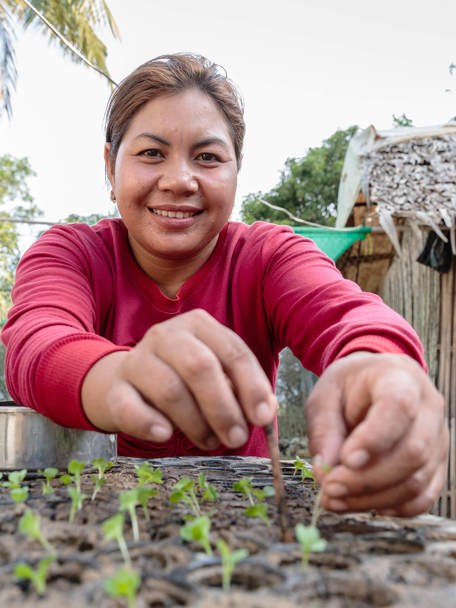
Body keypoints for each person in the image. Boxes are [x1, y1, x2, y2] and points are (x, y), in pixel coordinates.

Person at [2, 54, 448, 518]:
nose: (179, 181)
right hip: (98, 523)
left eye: (208, 157)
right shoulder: (69, 253)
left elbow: (349, 316)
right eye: (151, 153)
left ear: (236, 171)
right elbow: (38, 344)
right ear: (111, 166)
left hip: (249, 527)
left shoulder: (269, 256)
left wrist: (383, 368)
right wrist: (118, 375)